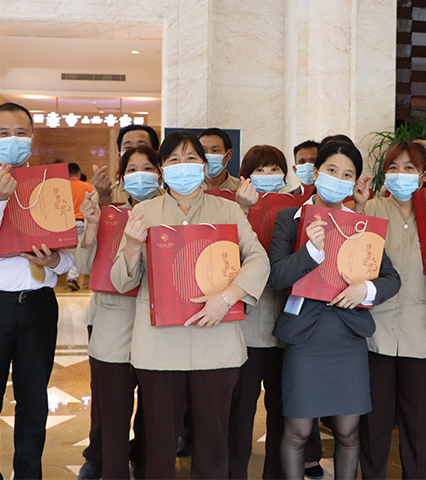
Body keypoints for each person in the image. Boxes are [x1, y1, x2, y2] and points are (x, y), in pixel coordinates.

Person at [110, 131, 270, 479]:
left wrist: (227, 298)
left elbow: (258, 260)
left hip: (217, 342)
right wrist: (133, 247)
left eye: (191, 158)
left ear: (205, 164)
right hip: (159, 347)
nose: (183, 166)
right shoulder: (145, 211)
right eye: (174, 160)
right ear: (163, 170)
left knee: (214, 439)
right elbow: (123, 280)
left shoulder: (227, 209)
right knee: (158, 441)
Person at [0, 102, 75, 479]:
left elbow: (68, 260)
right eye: (4, 133)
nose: (13, 140)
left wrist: (53, 259)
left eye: (21, 132)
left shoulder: (51, 188)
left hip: (38, 307)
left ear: (32, 137)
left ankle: (29, 474)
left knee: (34, 403)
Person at [269, 142, 401, 480]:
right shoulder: (289, 219)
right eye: (331, 171)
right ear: (315, 173)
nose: (338, 179)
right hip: (305, 339)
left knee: (348, 432)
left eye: (347, 174)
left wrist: (366, 289)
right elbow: (275, 277)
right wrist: (310, 251)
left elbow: (391, 278)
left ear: (355, 181)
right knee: (297, 432)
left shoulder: (362, 225)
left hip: (347, 337)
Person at [354, 141, 426, 480]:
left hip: (425, 333)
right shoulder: (372, 208)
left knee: (420, 426)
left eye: (409, 168)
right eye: (393, 167)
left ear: (425, 173)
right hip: (374, 333)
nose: (400, 175)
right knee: (373, 423)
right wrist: (357, 208)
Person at [229, 144, 323, 479]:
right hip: (248, 327)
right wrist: (241, 209)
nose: (268, 176)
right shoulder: (231, 208)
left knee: (284, 410)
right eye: (260, 169)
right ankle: (234, 471)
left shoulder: (300, 210)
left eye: (274, 169)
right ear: (245, 176)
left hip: (288, 324)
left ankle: (278, 473)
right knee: (240, 409)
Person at [75, 145, 163, 480]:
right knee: (112, 411)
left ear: (160, 173)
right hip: (113, 323)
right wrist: (93, 224)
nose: (141, 175)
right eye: (133, 169)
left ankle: (144, 462)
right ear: (122, 177)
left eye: (148, 168)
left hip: (159, 325)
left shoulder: (172, 214)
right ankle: (112, 469)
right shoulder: (108, 212)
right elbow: (83, 265)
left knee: (155, 413)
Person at [67, 162, 95, 291]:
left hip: (64, 224)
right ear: (78, 173)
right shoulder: (87, 186)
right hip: (80, 222)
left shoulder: (61, 186)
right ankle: (72, 277)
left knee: (66, 252)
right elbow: (96, 203)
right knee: (79, 251)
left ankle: (65, 275)